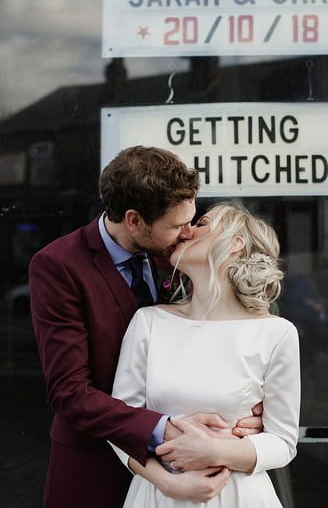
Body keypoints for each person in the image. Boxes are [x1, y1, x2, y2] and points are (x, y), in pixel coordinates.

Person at [29, 147, 263, 508]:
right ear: (134, 220)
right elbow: (69, 391)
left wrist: (247, 400)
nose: (188, 233)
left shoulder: (181, 255)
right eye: (176, 225)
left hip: (193, 463)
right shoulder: (58, 266)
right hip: (95, 466)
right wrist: (167, 431)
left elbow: (222, 328)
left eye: (192, 219)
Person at [110, 203, 301, 507]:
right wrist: (168, 481)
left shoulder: (277, 333)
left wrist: (215, 452)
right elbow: (119, 425)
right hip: (159, 496)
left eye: (202, 223)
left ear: (235, 244)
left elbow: (283, 441)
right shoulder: (148, 322)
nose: (186, 231)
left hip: (239, 495)